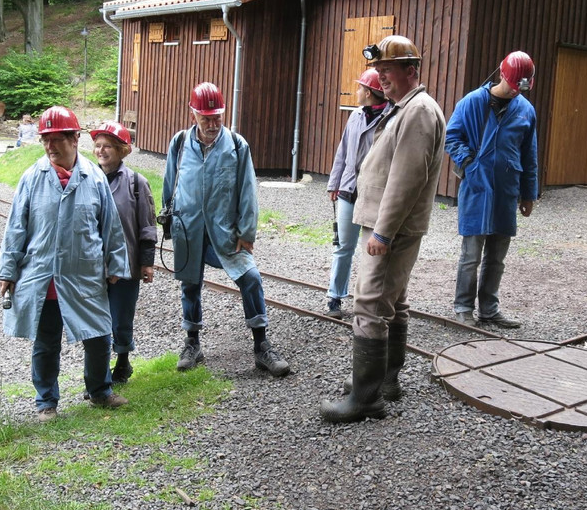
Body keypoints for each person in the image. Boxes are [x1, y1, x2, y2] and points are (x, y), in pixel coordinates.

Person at [320, 36, 446, 423]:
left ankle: (365, 398)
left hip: (390, 228)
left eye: (388, 72)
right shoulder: (405, 107)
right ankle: (385, 381)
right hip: (388, 225)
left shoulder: (418, 111)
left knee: (371, 304)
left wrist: (383, 233)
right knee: (393, 302)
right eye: (379, 72)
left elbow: (406, 178)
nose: (382, 79)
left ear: (411, 72)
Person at [0, 106, 131, 422]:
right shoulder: (32, 178)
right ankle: (46, 402)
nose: (50, 147)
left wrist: (115, 263)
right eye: (46, 140)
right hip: (44, 279)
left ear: (75, 139)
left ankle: (100, 392)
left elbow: (110, 225)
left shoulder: (93, 177)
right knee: (46, 344)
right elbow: (16, 227)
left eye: (57, 139)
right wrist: (7, 270)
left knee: (99, 337)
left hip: (84, 275)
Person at [163, 82, 291, 378]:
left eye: (217, 117)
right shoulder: (180, 143)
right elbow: (171, 184)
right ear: (192, 113)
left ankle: (262, 347)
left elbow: (248, 190)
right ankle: (192, 344)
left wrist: (247, 232)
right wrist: (170, 224)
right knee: (190, 285)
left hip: (225, 233)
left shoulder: (236, 145)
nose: (212, 124)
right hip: (189, 230)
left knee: (251, 279)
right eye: (205, 118)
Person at [445, 50, 539, 329]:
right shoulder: (473, 102)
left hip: (507, 190)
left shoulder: (525, 110)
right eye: (512, 86)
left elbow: (529, 155)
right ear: (501, 75)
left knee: (497, 257)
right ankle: (463, 307)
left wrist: (528, 194)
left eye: (520, 88)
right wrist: (469, 163)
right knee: (471, 254)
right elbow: (452, 136)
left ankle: (489, 309)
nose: (515, 93)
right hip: (477, 186)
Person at [90, 120, 157, 384]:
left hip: (127, 266)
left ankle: (123, 362)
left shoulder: (137, 183)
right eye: (97, 146)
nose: (101, 151)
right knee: (97, 318)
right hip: (93, 266)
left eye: (107, 146)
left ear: (121, 150)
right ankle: (99, 368)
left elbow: (147, 226)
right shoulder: (86, 179)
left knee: (121, 317)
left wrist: (147, 262)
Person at [324, 68, 390, 318]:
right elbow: (343, 151)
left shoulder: (389, 118)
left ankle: (369, 302)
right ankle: (335, 296)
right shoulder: (355, 116)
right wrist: (334, 184)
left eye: (361, 87)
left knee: (371, 250)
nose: (357, 91)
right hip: (348, 191)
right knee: (343, 247)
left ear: (371, 92)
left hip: (373, 195)